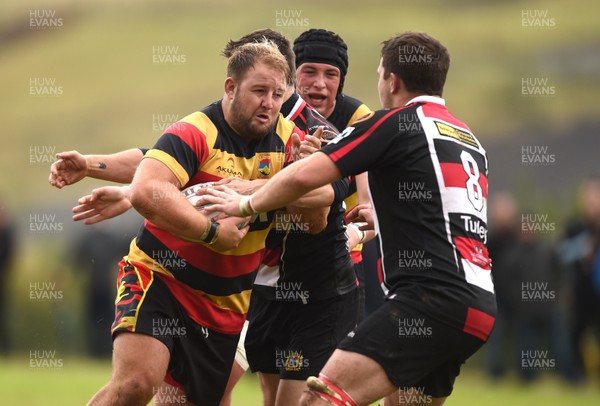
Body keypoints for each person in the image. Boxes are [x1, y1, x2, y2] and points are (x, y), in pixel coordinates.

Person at [199, 32, 497, 406]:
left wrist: (245, 203)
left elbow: (308, 177)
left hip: (427, 301)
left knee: (317, 399)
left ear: (392, 81)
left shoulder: (396, 122)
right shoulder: (467, 139)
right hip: (479, 307)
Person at [86, 41, 303, 406]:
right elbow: (147, 190)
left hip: (226, 306)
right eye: (259, 91)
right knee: (135, 385)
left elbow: (318, 197)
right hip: (161, 279)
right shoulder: (195, 132)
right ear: (231, 88)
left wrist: (265, 188)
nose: (268, 103)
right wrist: (212, 233)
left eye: (277, 94)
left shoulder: (289, 141)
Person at [294, 28, 375, 322]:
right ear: (292, 74)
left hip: (339, 261)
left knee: (330, 365)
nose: (319, 84)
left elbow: (370, 213)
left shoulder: (358, 119)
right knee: (275, 365)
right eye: (309, 71)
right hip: (278, 261)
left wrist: (350, 236)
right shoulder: (275, 111)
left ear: (341, 81)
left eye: (331, 74)